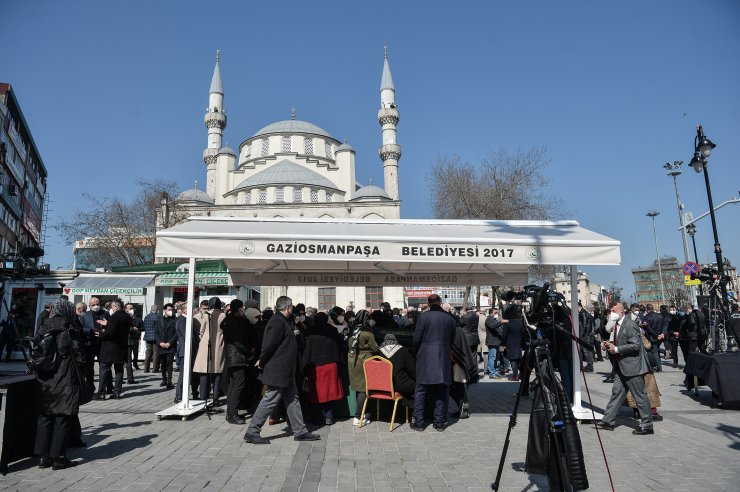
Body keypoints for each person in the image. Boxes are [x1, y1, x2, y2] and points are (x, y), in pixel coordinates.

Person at [244, 296, 320, 444]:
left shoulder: (284, 321)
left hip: (286, 370)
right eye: (291, 308)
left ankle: (300, 431)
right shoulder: (277, 322)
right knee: (270, 399)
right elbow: (269, 344)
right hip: (279, 369)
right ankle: (252, 431)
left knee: (293, 400)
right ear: (287, 308)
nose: (293, 310)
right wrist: (262, 360)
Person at [34, 299, 82, 470]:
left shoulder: (44, 325)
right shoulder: (70, 328)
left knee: (45, 415)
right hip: (65, 375)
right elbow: (79, 353)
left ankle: (43, 457)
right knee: (63, 416)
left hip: (45, 377)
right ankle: (59, 457)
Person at [596, 301, 653, 435]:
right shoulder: (617, 325)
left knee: (640, 396)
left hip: (632, 366)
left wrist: (616, 349)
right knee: (617, 393)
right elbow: (620, 341)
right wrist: (608, 345)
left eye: (614, 311)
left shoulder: (629, 325)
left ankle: (647, 425)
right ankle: (608, 420)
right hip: (621, 366)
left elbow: (635, 345)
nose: (611, 313)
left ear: (621, 312)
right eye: (611, 311)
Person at [411, 294, 455, 432]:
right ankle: (439, 422)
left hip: (426, 357)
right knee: (442, 390)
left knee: (421, 390)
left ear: (429, 304)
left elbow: (416, 338)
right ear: (440, 302)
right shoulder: (450, 318)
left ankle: (419, 422)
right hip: (443, 356)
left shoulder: (423, 317)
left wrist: (417, 351)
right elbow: (452, 340)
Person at [301, 312, 344, 425]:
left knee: (316, 393)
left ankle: (318, 418)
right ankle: (329, 416)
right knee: (329, 392)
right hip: (331, 364)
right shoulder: (333, 330)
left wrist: (303, 367)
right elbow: (340, 346)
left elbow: (307, 351)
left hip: (316, 366)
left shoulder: (311, 332)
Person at [222, 299, 258, 424]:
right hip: (236, 357)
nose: (243, 310)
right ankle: (232, 414)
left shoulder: (236, 320)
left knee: (234, 385)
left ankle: (231, 412)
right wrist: (248, 352)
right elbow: (238, 342)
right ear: (237, 309)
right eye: (241, 308)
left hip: (235, 356)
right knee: (237, 385)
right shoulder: (232, 322)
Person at [94, 299, 131, 400]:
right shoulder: (127, 317)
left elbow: (110, 332)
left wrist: (100, 333)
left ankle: (101, 392)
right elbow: (119, 329)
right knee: (119, 370)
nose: (111, 308)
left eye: (112, 307)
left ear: (116, 306)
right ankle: (117, 392)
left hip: (110, 348)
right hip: (122, 347)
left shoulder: (115, 317)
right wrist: (108, 324)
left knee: (104, 369)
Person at [348, 309, 379, 426]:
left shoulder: (351, 329)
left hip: (352, 359)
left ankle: (365, 413)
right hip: (364, 360)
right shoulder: (367, 332)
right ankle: (358, 416)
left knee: (358, 387)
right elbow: (375, 348)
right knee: (363, 388)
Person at [193, 298, 226, 403]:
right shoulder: (223, 315)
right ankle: (215, 398)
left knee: (204, 372)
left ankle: (203, 397)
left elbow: (201, 330)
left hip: (205, 344)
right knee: (217, 372)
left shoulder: (207, 315)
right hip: (219, 344)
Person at [81, 297, 108, 393]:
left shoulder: (105, 313)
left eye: (97, 304)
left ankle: (105, 387)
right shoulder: (85, 315)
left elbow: (110, 326)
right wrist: (91, 331)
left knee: (104, 366)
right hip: (90, 343)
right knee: (89, 367)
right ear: (89, 305)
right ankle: (90, 387)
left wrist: (105, 330)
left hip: (102, 343)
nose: (96, 306)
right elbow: (82, 328)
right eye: (93, 305)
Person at [174, 303, 200, 404]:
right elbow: (186, 335)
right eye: (190, 308)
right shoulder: (182, 320)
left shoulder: (189, 319)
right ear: (184, 310)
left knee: (191, 373)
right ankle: (179, 396)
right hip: (186, 349)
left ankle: (193, 392)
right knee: (184, 374)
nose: (193, 310)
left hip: (191, 349)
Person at [378, 333, 415, 398]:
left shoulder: (378, 352)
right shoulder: (402, 350)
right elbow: (412, 370)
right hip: (399, 386)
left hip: (382, 386)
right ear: (396, 341)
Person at [500, 305, 527, 382]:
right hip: (518, 343)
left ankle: (515, 376)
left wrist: (503, 343)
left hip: (510, 343)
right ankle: (521, 375)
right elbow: (523, 333)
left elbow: (504, 335)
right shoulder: (520, 322)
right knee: (518, 359)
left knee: (512, 360)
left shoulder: (508, 322)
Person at [157, 303, 177, 389]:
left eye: (171, 310)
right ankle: (164, 379)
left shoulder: (174, 320)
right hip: (161, 345)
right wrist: (160, 342)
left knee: (169, 364)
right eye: (169, 310)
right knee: (163, 364)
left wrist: (170, 342)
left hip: (170, 346)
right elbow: (156, 333)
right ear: (164, 310)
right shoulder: (159, 319)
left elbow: (176, 333)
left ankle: (169, 381)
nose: (170, 311)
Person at [484, 308, 507, 378]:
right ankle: (492, 373)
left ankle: (494, 371)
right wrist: (501, 322)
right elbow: (493, 326)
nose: (496, 314)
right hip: (492, 342)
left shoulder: (493, 319)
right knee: (492, 357)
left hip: (496, 341)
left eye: (497, 313)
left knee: (495, 358)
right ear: (491, 313)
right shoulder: (488, 319)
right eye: (495, 313)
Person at [643, 304, 664, 372]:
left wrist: (656, 335)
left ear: (647, 309)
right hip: (660, 336)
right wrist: (662, 334)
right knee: (656, 350)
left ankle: (659, 367)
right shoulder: (660, 315)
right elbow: (664, 326)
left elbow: (649, 329)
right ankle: (659, 363)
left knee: (655, 352)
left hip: (653, 337)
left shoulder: (647, 317)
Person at [142, 305, 163, 373]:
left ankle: (146, 368)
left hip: (148, 337)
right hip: (155, 337)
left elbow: (144, 326)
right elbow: (160, 328)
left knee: (148, 353)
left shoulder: (146, 317)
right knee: (155, 353)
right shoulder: (157, 317)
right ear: (156, 310)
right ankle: (155, 368)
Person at [124, 303, 143, 373]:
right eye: (130, 308)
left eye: (132, 308)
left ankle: (135, 364)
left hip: (135, 339)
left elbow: (143, 328)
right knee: (128, 356)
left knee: (135, 353)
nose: (132, 310)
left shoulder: (138, 319)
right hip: (127, 339)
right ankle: (129, 370)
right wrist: (132, 329)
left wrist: (138, 329)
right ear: (126, 309)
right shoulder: (124, 317)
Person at [578, 301, 595, 372]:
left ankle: (590, 366)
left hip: (585, 335)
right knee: (586, 350)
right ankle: (587, 365)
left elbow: (584, 326)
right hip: (588, 334)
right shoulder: (585, 313)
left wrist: (581, 336)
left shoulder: (583, 313)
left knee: (586, 351)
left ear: (579, 307)